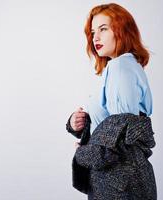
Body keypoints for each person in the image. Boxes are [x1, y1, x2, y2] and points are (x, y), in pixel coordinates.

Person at [66, 3, 156, 199]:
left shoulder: (120, 68)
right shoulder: (119, 67)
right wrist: (78, 123)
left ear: (122, 31)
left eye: (103, 29)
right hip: (119, 180)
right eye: (92, 32)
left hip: (120, 183)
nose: (95, 37)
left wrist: (82, 153)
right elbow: (111, 126)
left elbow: (119, 143)